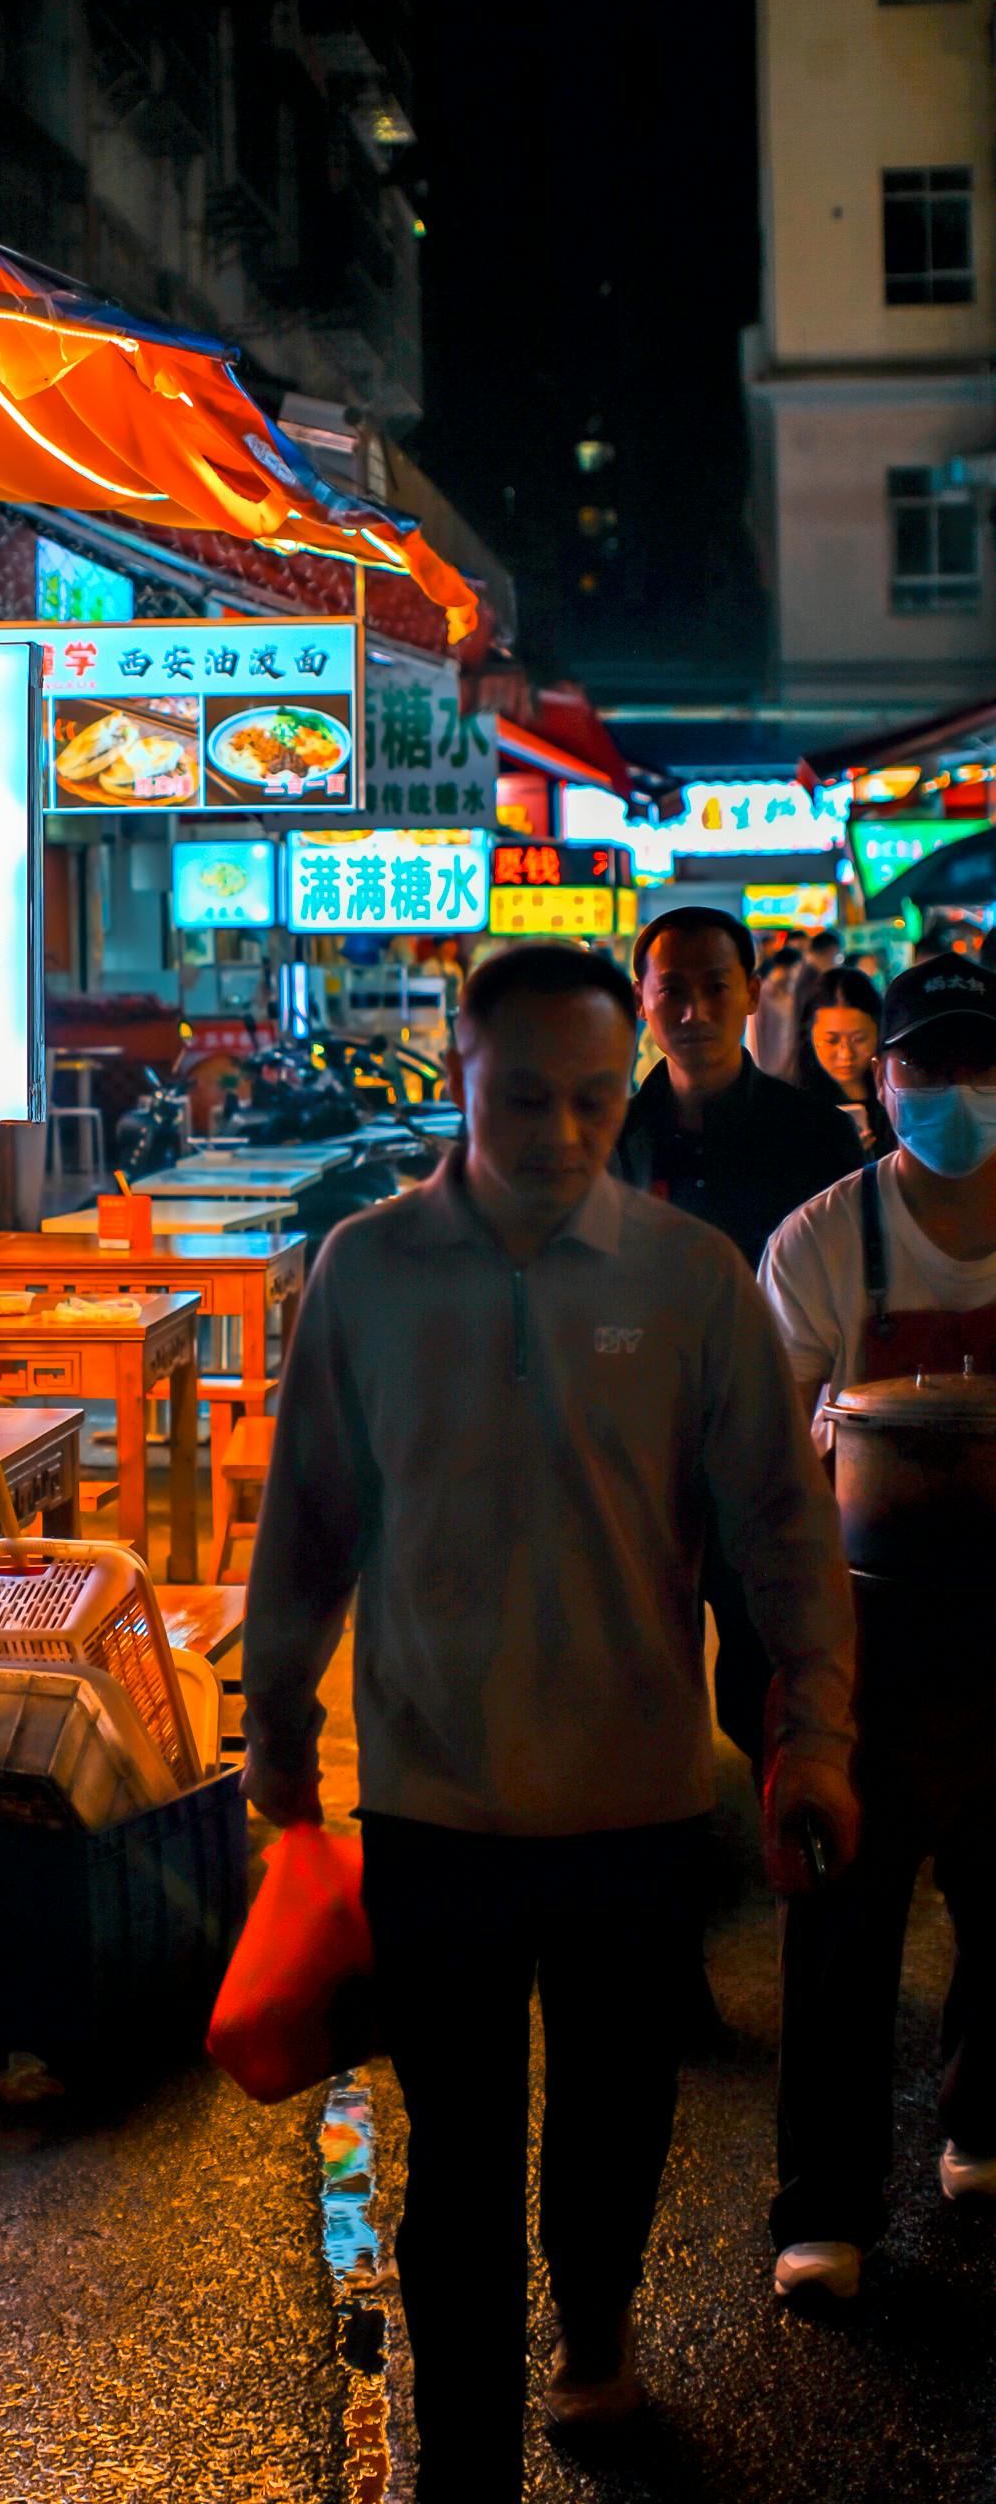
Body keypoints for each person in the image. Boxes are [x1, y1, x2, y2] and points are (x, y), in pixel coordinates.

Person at [242, 944, 857, 2500]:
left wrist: (816, 1733)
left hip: (635, 1793)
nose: (563, 1131)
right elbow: (308, 1519)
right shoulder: (366, 1276)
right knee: (454, 2151)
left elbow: (780, 1530)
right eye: (526, 1098)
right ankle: (464, 2461)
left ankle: (593, 2342)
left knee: (610, 2118)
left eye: (594, 1100)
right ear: (457, 1080)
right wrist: (271, 1722)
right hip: (433, 1795)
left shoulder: (685, 1279)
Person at [759, 952, 996, 2303]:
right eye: (927, 1067)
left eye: (978, 1067)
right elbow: (754, 1451)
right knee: (837, 1918)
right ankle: (825, 2210)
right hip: (863, 1636)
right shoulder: (813, 1243)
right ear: (876, 1080)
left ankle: (979, 2120)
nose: (955, 1092)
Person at [618, 907, 863, 1774]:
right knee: (639, 1649)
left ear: (751, 994)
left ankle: (786, 1808)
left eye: (714, 987)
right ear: (641, 1002)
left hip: (774, 1433)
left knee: (767, 1653)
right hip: (637, 1440)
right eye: (670, 990)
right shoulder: (609, 1141)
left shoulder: (813, 1133)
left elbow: (849, 1288)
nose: (692, 1011)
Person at [793, 966, 895, 1160]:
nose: (846, 1054)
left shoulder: (900, 1100)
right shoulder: (790, 1109)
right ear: (809, 1037)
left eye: (859, 1039)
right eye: (831, 1040)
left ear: (879, 1033)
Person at [750, 942, 807, 1081]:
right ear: (784, 968)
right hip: (765, 1074)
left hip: (789, 1075)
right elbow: (753, 1038)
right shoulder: (762, 995)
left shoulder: (791, 997)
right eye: (797, 970)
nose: (797, 977)